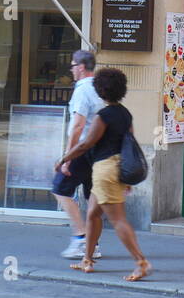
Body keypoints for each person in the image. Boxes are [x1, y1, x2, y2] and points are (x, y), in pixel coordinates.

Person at [56, 67, 152, 282]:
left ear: (100, 90)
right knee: (92, 214)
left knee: (118, 220)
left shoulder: (103, 116)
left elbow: (86, 144)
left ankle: (141, 262)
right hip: (117, 168)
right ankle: (87, 260)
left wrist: (63, 159)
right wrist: (125, 179)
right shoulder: (125, 114)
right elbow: (130, 143)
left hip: (105, 169)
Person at [52, 50, 104, 259]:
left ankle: (82, 237)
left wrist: (67, 157)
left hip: (82, 149)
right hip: (98, 149)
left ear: (81, 67)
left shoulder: (82, 90)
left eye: (73, 65)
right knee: (92, 196)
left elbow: (77, 126)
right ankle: (93, 243)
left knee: (60, 189)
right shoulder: (99, 88)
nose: (72, 70)